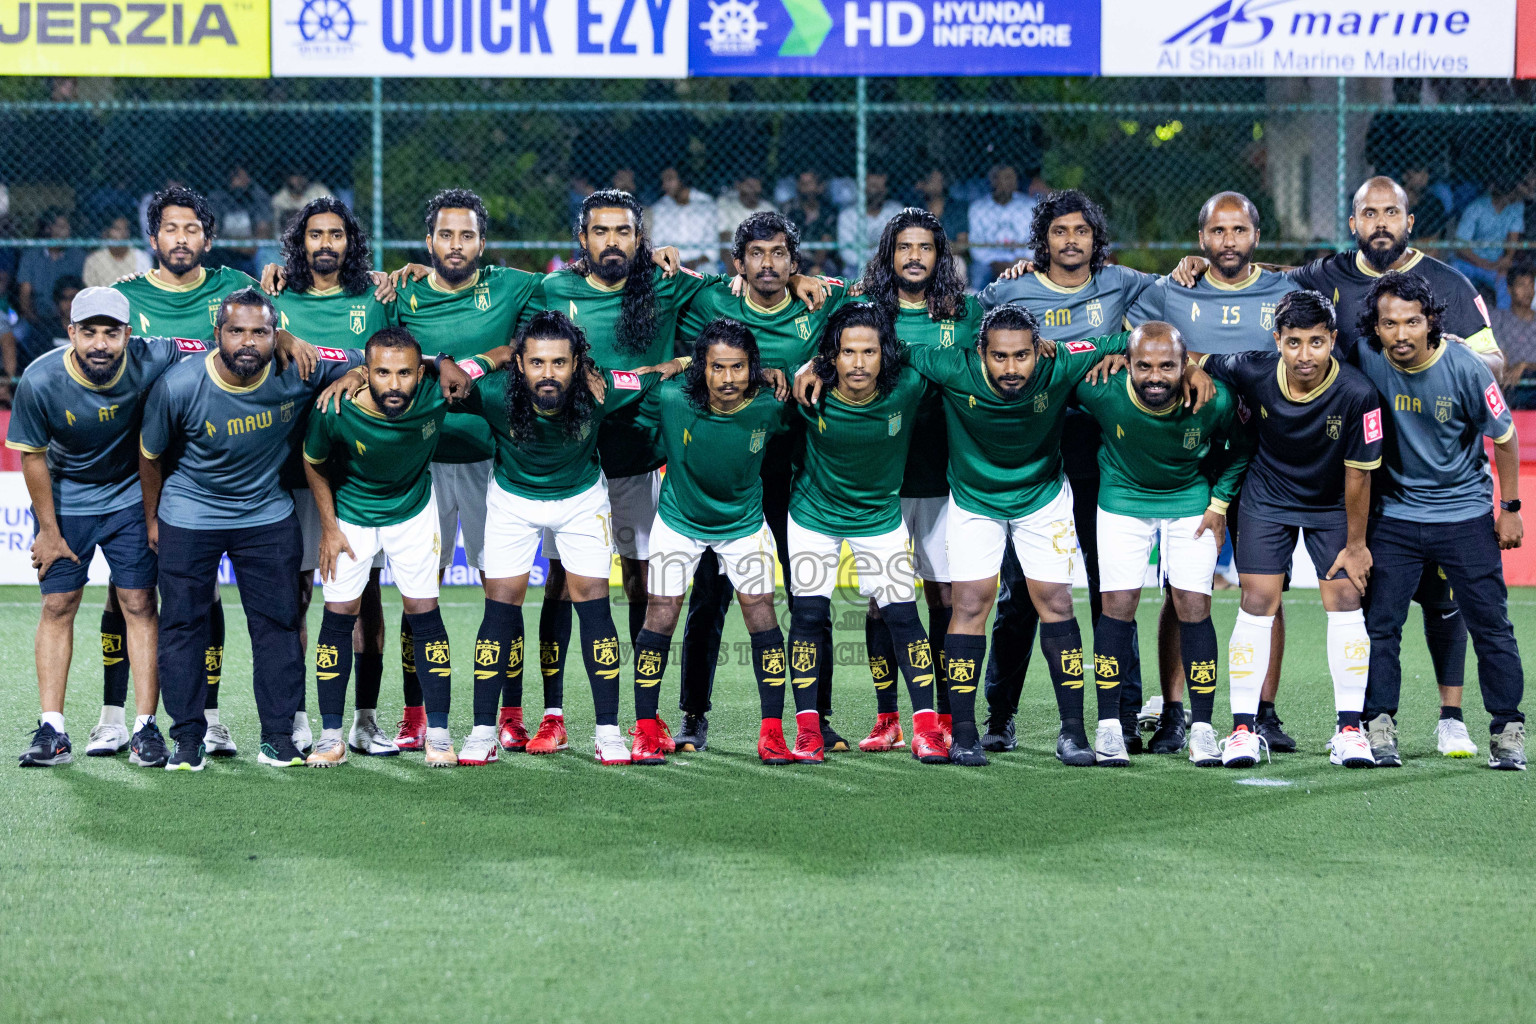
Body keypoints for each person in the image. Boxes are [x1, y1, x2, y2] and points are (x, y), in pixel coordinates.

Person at [1176, 176, 1507, 751]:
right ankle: (1299, 725)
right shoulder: (1323, 279)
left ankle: (1445, 716)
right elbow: (1268, 277)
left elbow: (1493, 362)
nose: (1381, 223)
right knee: (1351, 606)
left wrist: (1438, 358)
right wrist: (1208, 263)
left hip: (1421, 474)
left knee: (1437, 601)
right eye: (1369, 213)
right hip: (1358, 475)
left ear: (1408, 221)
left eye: (1392, 213)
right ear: (1353, 223)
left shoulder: (1446, 282)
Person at [138, 288, 357, 771]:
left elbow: (373, 359)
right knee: (182, 626)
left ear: (276, 334)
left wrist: (360, 371)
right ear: (217, 334)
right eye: (236, 330)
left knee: (279, 626)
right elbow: (150, 457)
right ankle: (189, 739)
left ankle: (278, 738)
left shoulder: (299, 367)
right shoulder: (179, 385)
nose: (247, 341)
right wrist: (153, 519)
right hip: (191, 513)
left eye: (260, 331)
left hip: (264, 514)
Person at [974, 189, 1159, 754]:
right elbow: (968, 330)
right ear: (1043, 240)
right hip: (1031, 446)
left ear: (1095, 239)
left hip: (1102, 447)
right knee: (1021, 589)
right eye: (1060, 231)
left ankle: (1122, 714)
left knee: (1112, 584)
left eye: (1081, 230)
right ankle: (1000, 715)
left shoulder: (1124, 283)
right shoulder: (1010, 289)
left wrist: (1129, 348)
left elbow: (1178, 307)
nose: (1071, 240)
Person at [529, 190, 709, 758]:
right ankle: (553, 714)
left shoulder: (668, 282)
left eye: (624, 231)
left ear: (640, 238)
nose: (613, 241)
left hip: (637, 460)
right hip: (573, 461)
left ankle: (644, 717)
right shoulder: (553, 291)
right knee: (561, 583)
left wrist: (679, 362)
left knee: (642, 585)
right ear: (581, 239)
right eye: (601, 231)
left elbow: (737, 302)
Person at [1126, 191, 1300, 754]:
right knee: (1182, 591)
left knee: (1263, 589)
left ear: (1256, 235)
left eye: (1240, 230)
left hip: (1269, 460)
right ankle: (1175, 712)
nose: (1229, 241)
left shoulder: (1287, 290)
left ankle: (1262, 713)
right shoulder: (1171, 291)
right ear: (1201, 240)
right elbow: (1130, 342)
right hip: (1191, 460)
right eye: (1218, 232)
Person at [672, 212, 849, 753]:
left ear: (795, 262)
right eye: (757, 254)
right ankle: (693, 717)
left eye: (779, 254)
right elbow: (656, 289)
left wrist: (818, 351)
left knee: (806, 594)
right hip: (724, 472)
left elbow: (871, 303)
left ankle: (814, 718)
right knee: (709, 595)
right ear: (738, 263)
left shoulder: (821, 301)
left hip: (797, 470)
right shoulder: (709, 300)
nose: (768, 264)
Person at [453, 310, 661, 766]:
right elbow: (421, 369)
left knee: (594, 606)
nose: (548, 373)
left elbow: (653, 378)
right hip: (511, 500)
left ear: (577, 363)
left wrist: (681, 364)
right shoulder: (491, 392)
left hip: (582, 499)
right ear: (519, 364)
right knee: (500, 608)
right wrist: (473, 363)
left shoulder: (599, 388)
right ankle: (483, 730)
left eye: (560, 363)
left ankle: (607, 732)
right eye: (537, 363)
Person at [9, 288, 193, 767]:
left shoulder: (152, 355)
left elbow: (214, 344)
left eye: (111, 333)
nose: (100, 343)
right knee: (58, 604)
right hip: (68, 500)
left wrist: (281, 340)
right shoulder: (40, 379)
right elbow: (31, 456)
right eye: (88, 332)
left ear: (129, 335)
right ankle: (52, 729)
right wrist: (48, 530)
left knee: (138, 603)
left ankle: (145, 728)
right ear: (71, 333)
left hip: (131, 497)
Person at [1199, 291, 1382, 769]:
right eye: (1294, 342)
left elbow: (1359, 475)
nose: (1306, 355)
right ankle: (1242, 729)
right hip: (1267, 498)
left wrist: (1358, 544)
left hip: (1331, 504)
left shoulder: (1359, 393)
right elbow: (1199, 359)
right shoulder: (1253, 369)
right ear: (1277, 340)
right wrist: (1194, 372)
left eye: (1317, 342)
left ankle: (1349, 730)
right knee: (1257, 601)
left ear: (1333, 340)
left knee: (1344, 600)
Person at [387, 189, 543, 750]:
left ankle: (512, 711)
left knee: (501, 593)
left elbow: (579, 285)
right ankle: (413, 713)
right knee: (415, 593)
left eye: (468, 235)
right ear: (428, 242)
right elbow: (372, 352)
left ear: (483, 242)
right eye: (446, 235)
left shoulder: (513, 286)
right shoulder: (399, 291)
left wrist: (484, 360)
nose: (457, 245)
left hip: (490, 464)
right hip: (419, 466)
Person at [1352, 272, 1526, 771]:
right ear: (1376, 328)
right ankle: (1379, 724)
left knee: (1491, 624)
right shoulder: (1365, 357)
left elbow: (1507, 439)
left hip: (1465, 517)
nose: (1402, 334)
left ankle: (1507, 728)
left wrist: (1509, 510)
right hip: (1395, 518)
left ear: (1432, 322)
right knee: (1380, 627)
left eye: (1412, 321)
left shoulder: (1468, 368)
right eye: (1390, 324)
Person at [115, 185, 263, 757]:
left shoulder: (233, 291)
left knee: (205, 601)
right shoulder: (123, 297)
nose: (182, 238)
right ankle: (117, 716)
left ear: (209, 237)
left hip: (209, 466)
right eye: (171, 229)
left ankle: (210, 715)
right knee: (126, 595)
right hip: (139, 464)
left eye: (193, 229)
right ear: (153, 239)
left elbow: (272, 329)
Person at [1072, 322, 1250, 766]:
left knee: (1194, 606)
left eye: (1168, 365)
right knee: (1117, 606)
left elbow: (1243, 446)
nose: (1156, 376)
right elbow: (1059, 362)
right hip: (1121, 502)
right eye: (1144, 365)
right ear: (1127, 363)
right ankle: (1110, 726)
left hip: (1190, 502)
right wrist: (1109, 347)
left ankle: (1204, 729)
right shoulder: (1100, 387)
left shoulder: (1214, 398)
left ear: (1185, 363)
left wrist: (1220, 502)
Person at [301, 327, 472, 766]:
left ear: (420, 373)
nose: (393, 384)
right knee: (338, 617)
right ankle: (331, 735)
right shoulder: (334, 408)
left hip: (413, 512)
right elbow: (314, 462)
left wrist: (445, 358)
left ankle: (437, 734)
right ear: (365, 372)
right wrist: (328, 528)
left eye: (403, 373)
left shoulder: (438, 391)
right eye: (381, 372)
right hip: (352, 517)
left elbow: (500, 356)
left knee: (424, 613)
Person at [785, 304, 947, 764]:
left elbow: (945, 362)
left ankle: (926, 730)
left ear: (884, 354)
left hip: (879, 519)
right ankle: (807, 731)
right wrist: (807, 365)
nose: (858, 363)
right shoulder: (810, 392)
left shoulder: (909, 388)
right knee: (809, 618)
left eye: (869, 352)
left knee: (903, 618)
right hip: (814, 518)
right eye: (847, 352)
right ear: (831, 357)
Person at [628, 319, 793, 765]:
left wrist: (779, 371)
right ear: (701, 368)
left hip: (743, 523)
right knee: (660, 614)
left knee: (762, 614)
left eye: (738, 367)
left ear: (752, 368)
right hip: (679, 521)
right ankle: (645, 730)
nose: (728, 378)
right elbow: (630, 385)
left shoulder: (770, 404)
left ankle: (772, 732)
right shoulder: (670, 397)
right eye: (717, 367)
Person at [851, 207, 982, 752]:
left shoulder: (966, 311)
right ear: (889, 254)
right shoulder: (863, 309)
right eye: (903, 247)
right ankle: (888, 717)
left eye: (924, 248)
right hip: (881, 476)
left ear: (939, 255)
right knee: (883, 600)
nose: (913, 257)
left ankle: (947, 715)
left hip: (945, 474)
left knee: (944, 595)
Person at [271, 196, 398, 756]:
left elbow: (401, 362)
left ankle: (365, 720)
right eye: (315, 235)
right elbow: (241, 334)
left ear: (351, 243)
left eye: (337, 235)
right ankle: (299, 717)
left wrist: (357, 377)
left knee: (365, 596)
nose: (326, 244)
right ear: (301, 243)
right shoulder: (277, 297)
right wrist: (279, 336)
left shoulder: (376, 297)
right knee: (297, 595)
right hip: (289, 467)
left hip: (356, 470)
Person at [1452, 173, 1527, 310]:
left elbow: (1513, 239)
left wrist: (1506, 261)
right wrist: (1485, 264)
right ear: (1503, 193)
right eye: (1512, 193)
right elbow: (1460, 247)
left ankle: (1505, 322)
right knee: (1454, 270)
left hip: (1496, 263)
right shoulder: (1476, 207)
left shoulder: (1516, 206)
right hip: (1471, 261)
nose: (1515, 196)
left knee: (1506, 284)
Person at [967, 165, 1036, 290]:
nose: (1007, 182)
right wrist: (995, 263)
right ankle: (977, 307)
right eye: (1001, 178)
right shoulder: (978, 208)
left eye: (1010, 178)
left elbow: (1035, 241)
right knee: (978, 274)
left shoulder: (1029, 206)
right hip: (989, 263)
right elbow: (975, 246)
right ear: (993, 181)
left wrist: (1019, 262)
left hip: (1021, 260)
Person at [16, 210, 85, 330]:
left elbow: (83, 292)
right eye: (62, 227)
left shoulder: (78, 256)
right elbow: (24, 294)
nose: (67, 231)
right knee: (20, 330)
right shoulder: (31, 256)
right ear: (48, 229)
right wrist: (33, 319)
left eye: (68, 227)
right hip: (37, 316)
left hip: (70, 317)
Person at [647, 167, 718, 271]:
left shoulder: (705, 203)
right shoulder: (660, 208)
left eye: (669, 179)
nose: (664, 186)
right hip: (671, 262)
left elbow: (712, 241)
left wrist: (698, 261)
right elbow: (657, 242)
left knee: (708, 272)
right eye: (663, 181)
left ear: (683, 179)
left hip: (702, 262)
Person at [836, 172, 902, 270]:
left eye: (878, 188)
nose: (874, 193)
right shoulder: (847, 215)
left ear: (886, 190)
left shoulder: (896, 211)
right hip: (855, 274)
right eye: (871, 187)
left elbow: (899, 247)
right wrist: (872, 262)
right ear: (861, 189)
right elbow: (847, 252)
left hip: (888, 272)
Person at [1491, 264, 1536, 404]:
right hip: (1512, 385)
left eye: (1530, 285)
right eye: (1521, 285)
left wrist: (1524, 366)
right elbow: (1500, 357)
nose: (1527, 291)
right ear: (1510, 289)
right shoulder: (1500, 319)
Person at [784, 170, 840, 277]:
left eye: (809, 184)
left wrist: (813, 267)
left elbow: (825, 243)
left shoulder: (828, 212)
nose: (804, 189)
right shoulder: (790, 209)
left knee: (819, 271)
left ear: (820, 187)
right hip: (794, 258)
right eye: (802, 184)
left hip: (820, 262)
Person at [716, 176, 776, 266]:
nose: (752, 190)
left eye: (756, 186)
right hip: (735, 254)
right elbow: (724, 239)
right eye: (749, 185)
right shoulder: (726, 205)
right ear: (738, 186)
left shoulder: (769, 209)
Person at [82, 215, 152, 288]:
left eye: (125, 229)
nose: (122, 233)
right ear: (107, 232)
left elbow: (143, 289)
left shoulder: (141, 257)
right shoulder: (94, 259)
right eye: (117, 229)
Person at [270, 171, 331, 237]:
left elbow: (335, 211)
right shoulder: (279, 198)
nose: (299, 179)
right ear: (287, 178)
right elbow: (277, 225)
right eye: (295, 176)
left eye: (303, 175)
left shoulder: (319, 191)